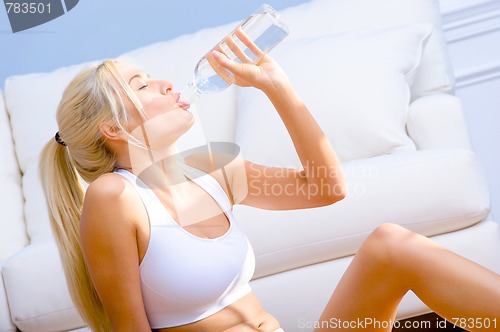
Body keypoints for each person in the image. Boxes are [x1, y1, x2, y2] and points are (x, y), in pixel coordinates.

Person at [38, 37, 500, 332]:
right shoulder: (114, 197)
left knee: (391, 246)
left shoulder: (211, 168)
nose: (163, 83)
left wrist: (276, 86)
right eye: (140, 86)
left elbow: (326, 188)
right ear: (112, 129)